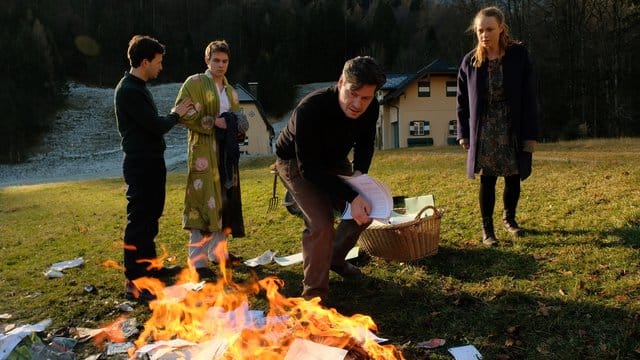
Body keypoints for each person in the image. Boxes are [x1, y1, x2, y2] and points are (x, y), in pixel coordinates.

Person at [275, 56, 386, 302]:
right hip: (296, 161)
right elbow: (310, 170)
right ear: (341, 82)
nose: (357, 104)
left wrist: (360, 177)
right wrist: (351, 195)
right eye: (352, 93)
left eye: (365, 98)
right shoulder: (310, 108)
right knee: (321, 224)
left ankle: (335, 258)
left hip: (334, 159)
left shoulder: (372, 107)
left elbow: (366, 143)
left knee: (368, 207)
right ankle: (314, 295)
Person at [114, 35, 194, 301]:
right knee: (139, 221)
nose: (161, 67)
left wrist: (171, 116)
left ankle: (150, 270)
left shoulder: (139, 87)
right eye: (158, 62)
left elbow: (151, 124)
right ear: (145, 61)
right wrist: (177, 113)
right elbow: (155, 125)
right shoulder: (129, 90)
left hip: (151, 161)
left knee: (151, 217)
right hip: (140, 163)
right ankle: (135, 282)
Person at [456, 6, 539, 246]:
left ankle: (510, 220)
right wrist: (463, 133)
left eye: (489, 29)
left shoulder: (518, 55)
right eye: (480, 30)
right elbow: (461, 101)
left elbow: (529, 96)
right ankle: (487, 229)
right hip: (484, 128)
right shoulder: (470, 61)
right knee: (488, 179)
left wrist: (531, 135)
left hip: (513, 124)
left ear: (501, 28)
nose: (485, 35)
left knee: (513, 176)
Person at [174, 40, 248, 280]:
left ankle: (219, 253)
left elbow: (239, 118)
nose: (221, 65)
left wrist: (238, 125)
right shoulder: (194, 83)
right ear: (207, 60)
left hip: (226, 153)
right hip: (204, 153)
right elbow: (182, 112)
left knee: (225, 200)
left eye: (225, 61)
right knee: (203, 201)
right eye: (216, 60)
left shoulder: (230, 90)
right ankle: (197, 261)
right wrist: (213, 121)